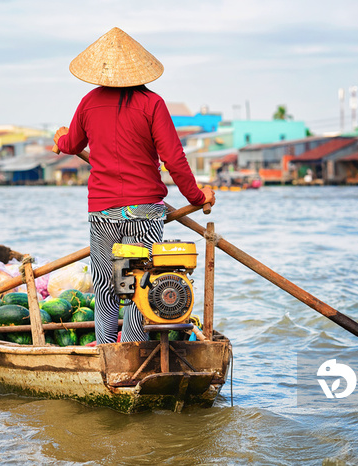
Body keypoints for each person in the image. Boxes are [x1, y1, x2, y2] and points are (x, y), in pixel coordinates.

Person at [54, 27, 215, 345]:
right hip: (144, 210)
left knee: (106, 284)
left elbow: (71, 144)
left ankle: (106, 353)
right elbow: (175, 160)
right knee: (140, 282)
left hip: (103, 212)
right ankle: (133, 349)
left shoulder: (88, 102)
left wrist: (59, 139)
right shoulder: (152, 103)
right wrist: (199, 196)